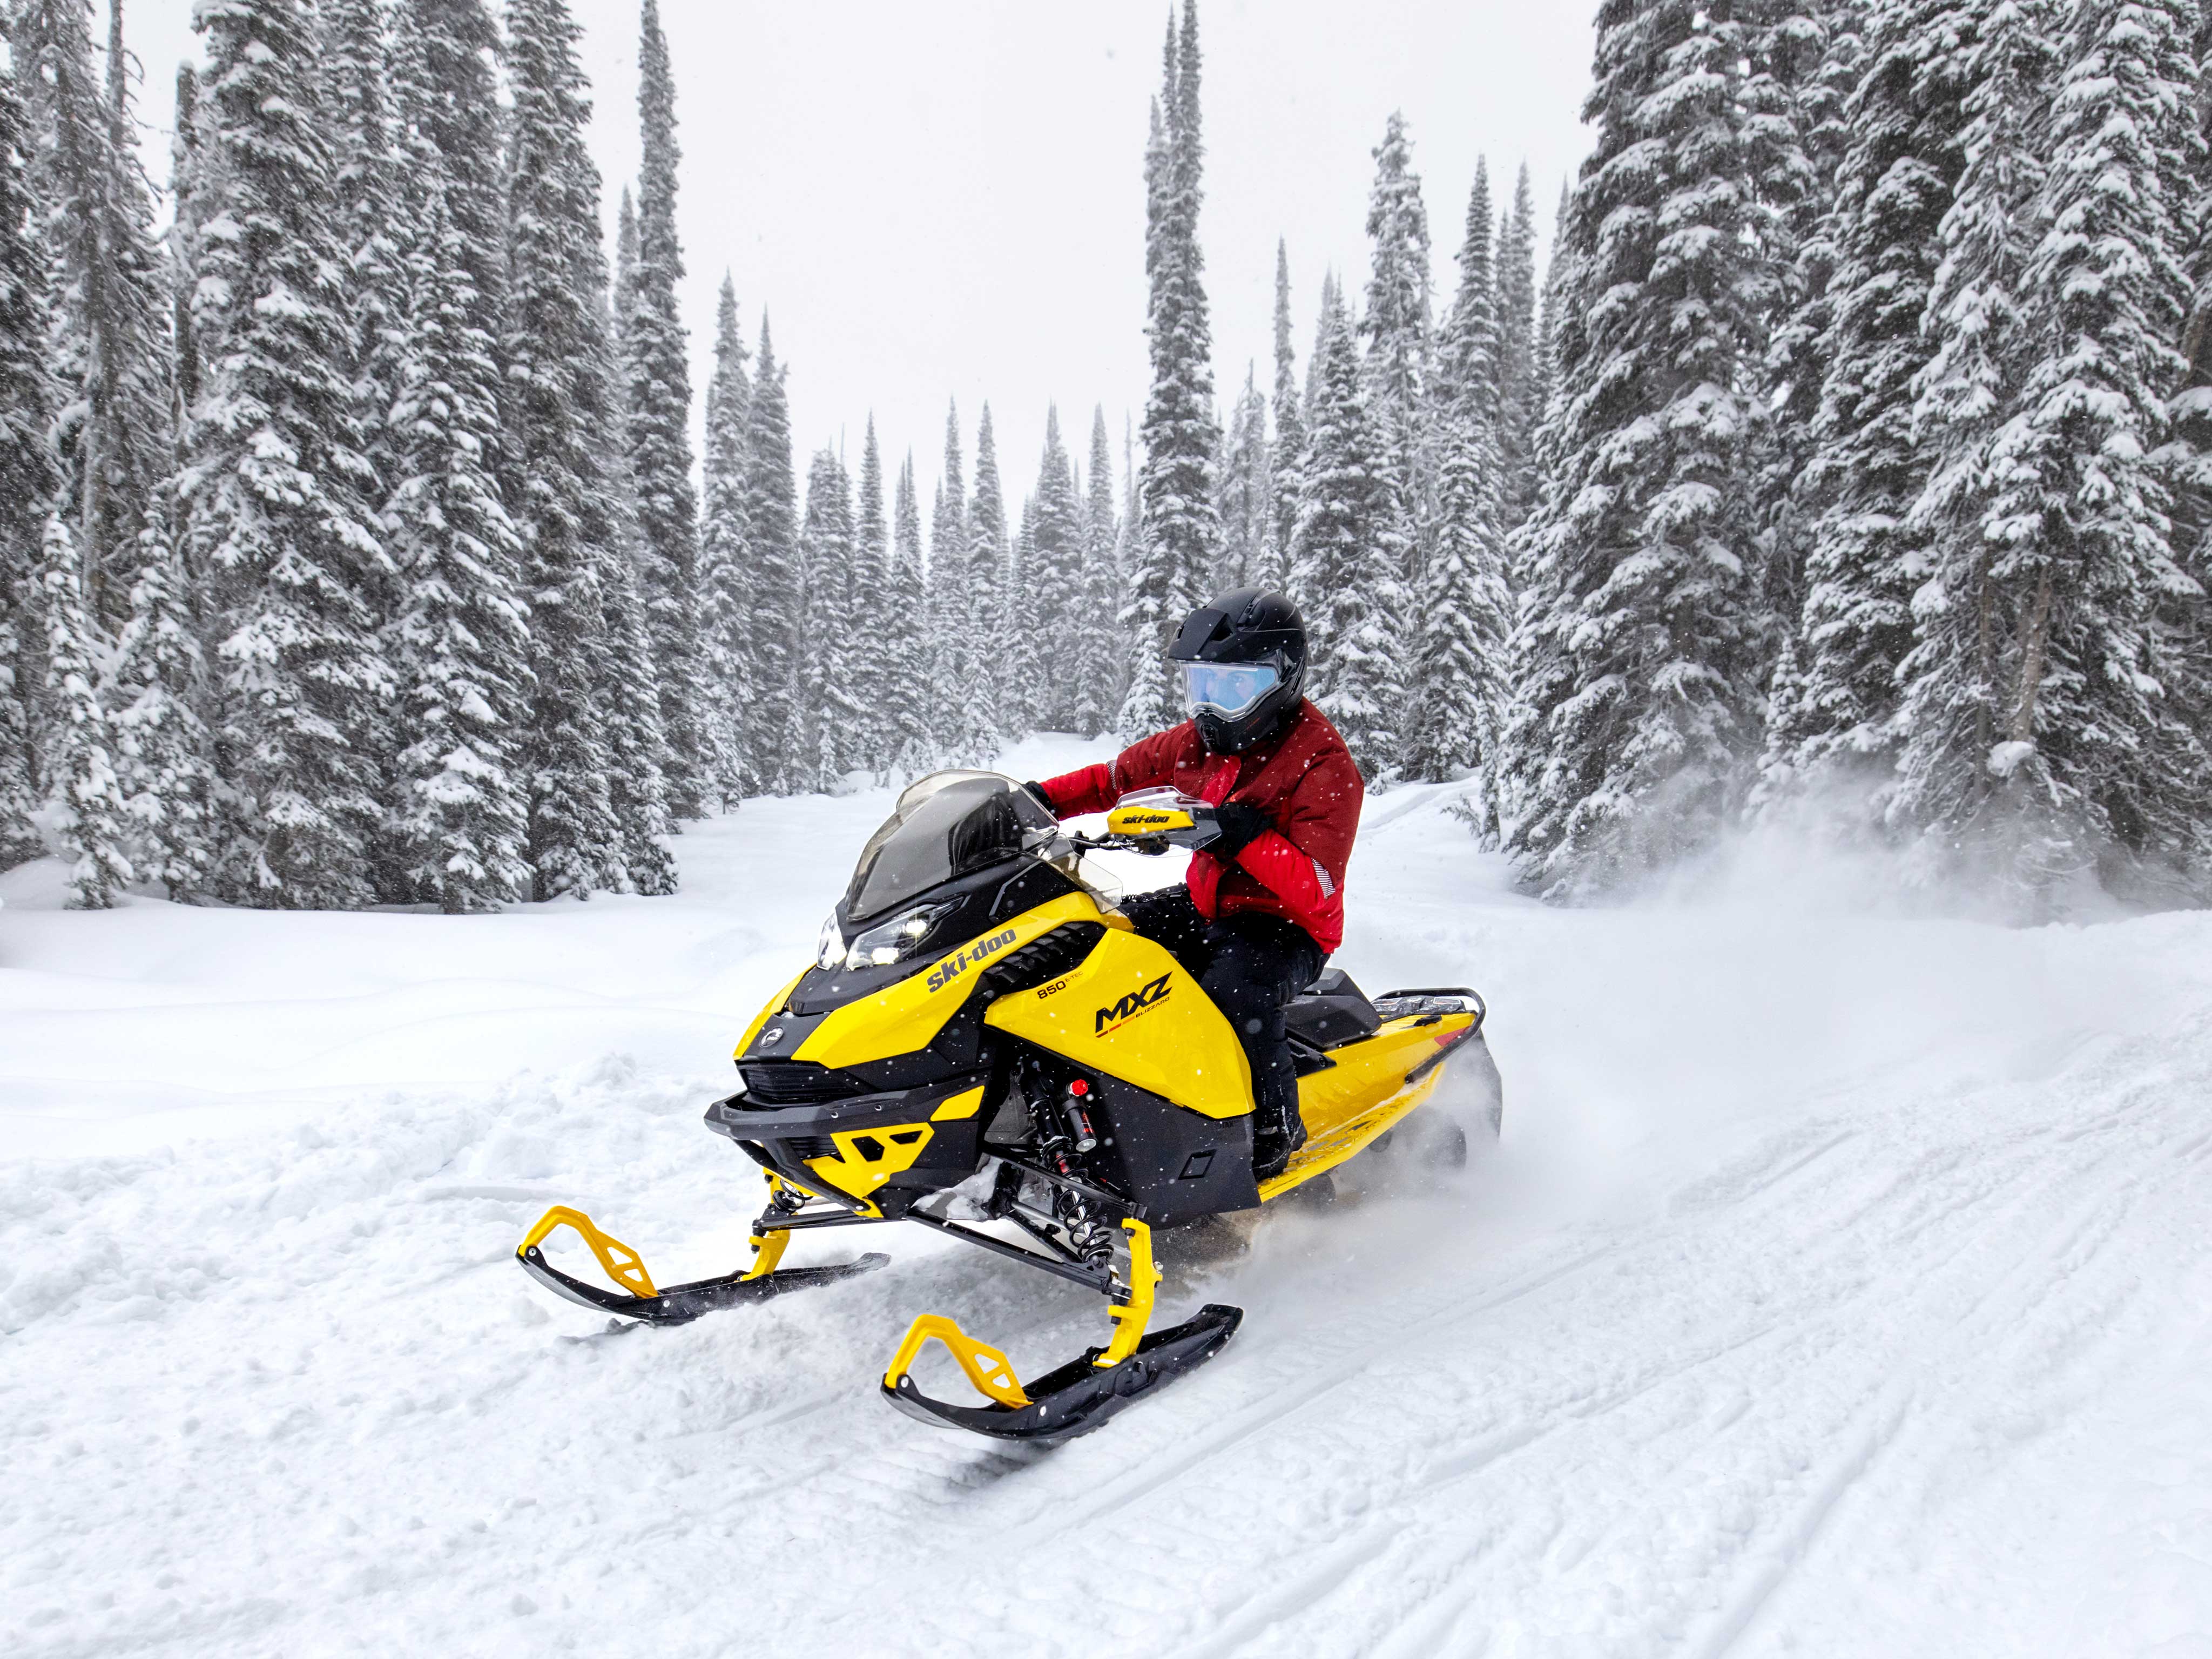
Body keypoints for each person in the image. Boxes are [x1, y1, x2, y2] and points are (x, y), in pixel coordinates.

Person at [1025, 589, 1363, 1180]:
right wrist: (1037, 801)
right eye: (1201, 685)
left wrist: (1241, 836)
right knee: (1094, 940)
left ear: (1281, 680)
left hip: (1285, 927)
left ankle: (1272, 1132)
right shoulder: (1197, 742)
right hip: (1209, 904)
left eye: (1232, 688)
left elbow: (1317, 889)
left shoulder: (1322, 763)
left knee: (1234, 995)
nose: (1212, 705)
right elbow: (1113, 778)